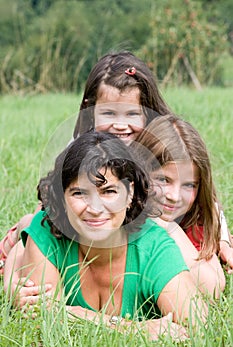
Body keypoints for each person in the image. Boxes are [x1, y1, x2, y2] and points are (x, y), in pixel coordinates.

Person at [2, 50, 232, 288]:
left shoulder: (157, 144)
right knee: (31, 221)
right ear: (90, 111)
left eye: (132, 114)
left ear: (147, 111)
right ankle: (12, 250)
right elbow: (55, 206)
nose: (120, 125)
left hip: (152, 227)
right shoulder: (85, 149)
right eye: (109, 113)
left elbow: (207, 199)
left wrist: (222, 241)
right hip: (101, 230)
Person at [7, 130, 207, 340]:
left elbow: (198, 326)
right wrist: (131, 328)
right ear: (62, 198)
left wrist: (69, 313)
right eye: (79, 193)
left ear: (130, 193)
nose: (95, 208)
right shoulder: (46, 231)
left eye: (109, 192)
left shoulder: (153, 247)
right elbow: (43, 320)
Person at [135, 114, 230, 296]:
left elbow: (212, 288)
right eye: (164, 179)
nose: (175, 196)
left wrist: (169, 227)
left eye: (189, 185)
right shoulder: (124, 221)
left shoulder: (194, 217)